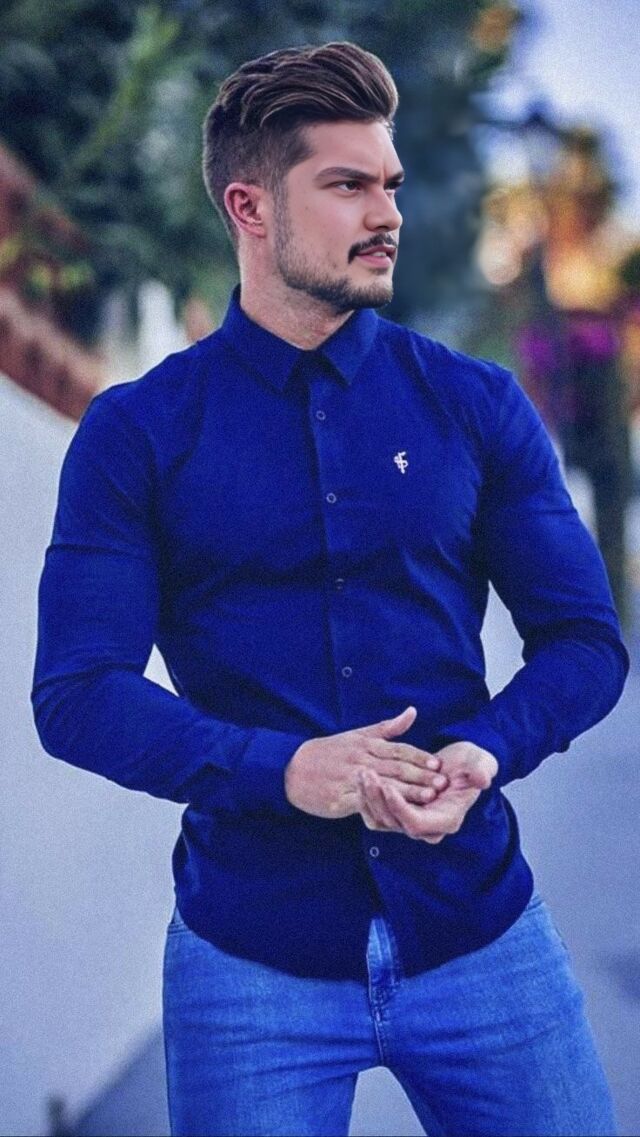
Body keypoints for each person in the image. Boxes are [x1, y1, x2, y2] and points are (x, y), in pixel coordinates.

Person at [31, 42, 628, 1137]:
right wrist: (282, 770)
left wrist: (487, 750)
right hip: (249, 962)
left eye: (389, 183)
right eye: (347, 185)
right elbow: (76, 691)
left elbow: (587, 641)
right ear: (250, 207)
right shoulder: (137, 433)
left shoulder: (475, 405)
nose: (385, 212)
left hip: (482, 935)